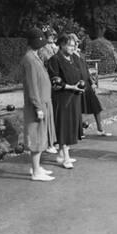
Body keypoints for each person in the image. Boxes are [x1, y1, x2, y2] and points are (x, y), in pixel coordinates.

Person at [20, 28, 57, 181]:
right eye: (40, 43)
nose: (43, 46)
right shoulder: (29, 59)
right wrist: (38, 107)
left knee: (42, 135)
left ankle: (37, 167)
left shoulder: (34, 57)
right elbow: (32, 85)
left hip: (44, 101)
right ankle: (36, 172)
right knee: (36, 136)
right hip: (38, 103)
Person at [47, 34, 85, 169]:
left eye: (74, 45)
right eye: (70, 45)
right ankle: (65, 158)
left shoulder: (74, 58)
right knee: (63, 126)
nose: (73, 47)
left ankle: (62, 154)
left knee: (71, 126)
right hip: (62, 98)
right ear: (62, 45)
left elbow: (80, 74)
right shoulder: (54, 60)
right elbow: (55, 82)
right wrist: (70, 87)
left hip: (74, 96)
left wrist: (81, 84)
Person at [70, 35, 112, 137]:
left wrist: (92, 82)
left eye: (77, 42)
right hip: (79, 85)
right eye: (74, 42)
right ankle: (80, 131)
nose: (76, 44)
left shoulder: (81, 55)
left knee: (96, 107)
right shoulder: (70, 56)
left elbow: (86, 70)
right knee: (79, 109)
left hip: (88, 85)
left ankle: (100, 129)